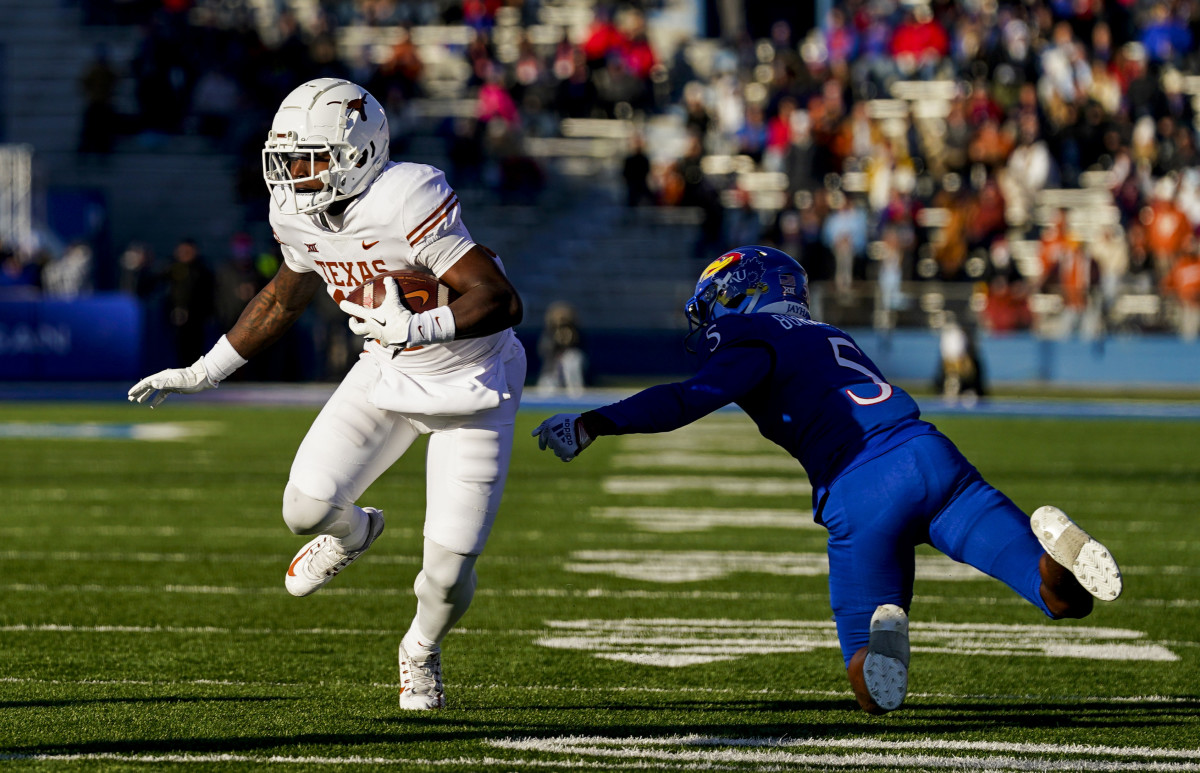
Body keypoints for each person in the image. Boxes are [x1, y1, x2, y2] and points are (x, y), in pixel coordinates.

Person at [531, 245, 1122, 714]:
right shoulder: (832, 336)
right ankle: (1056, 551)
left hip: (861, 489)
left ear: (743, 293)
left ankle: (880, 639)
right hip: (932, 455)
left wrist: (594, 423)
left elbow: (691, 398)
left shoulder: (752, 336)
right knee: (1062, 601)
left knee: (871, 687)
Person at [128, 78, 526, 711]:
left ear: (362, 150)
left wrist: (422, 324)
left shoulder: (407, 195)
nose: (293, 174)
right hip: (386, 370)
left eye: (310, 157)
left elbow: (502, 299)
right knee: (304, 509)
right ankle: (354, 532)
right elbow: (284, 298)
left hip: (468, 385)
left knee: (447, 577)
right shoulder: (293, 211)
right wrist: (203, 373)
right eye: (287, 159)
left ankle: (421, 648)